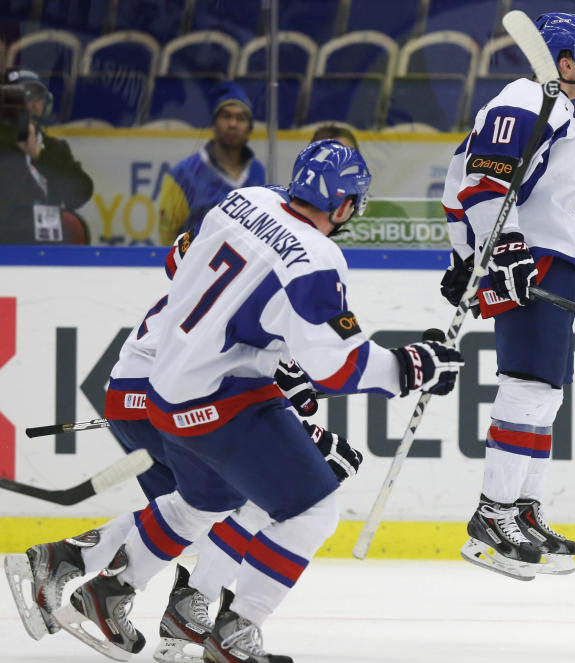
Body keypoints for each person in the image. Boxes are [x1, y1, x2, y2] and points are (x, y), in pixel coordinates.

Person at [48, 140, 463, 663]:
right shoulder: (316, 256)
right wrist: (414, 366)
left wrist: (264, 342)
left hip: (164, 390)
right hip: (216, 396)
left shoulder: (243, 201)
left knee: (207, 502)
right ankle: (235, 633)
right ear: (341, 205)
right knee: (312, 508)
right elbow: (340, 366)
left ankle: (114, 589)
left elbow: (180, 262)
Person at [4, 226, 360, 663]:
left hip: (147, 388)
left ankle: (88, 574)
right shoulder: (287, 264)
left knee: (204, 502)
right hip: (172, 392)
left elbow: (181, 262)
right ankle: (159, 597)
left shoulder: (242, 227)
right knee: (233, 498)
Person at [439, 12, 575, 581]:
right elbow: (482, 181)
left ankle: (522, 510)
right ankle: (492, 515)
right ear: (564, 61)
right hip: (528, 262)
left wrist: (470, 255)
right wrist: (497, 249)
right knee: (527, 387)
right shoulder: (525, 98)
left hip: (551, 264)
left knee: (547, 395)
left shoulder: (554, 107)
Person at [157, 81, 266, 245]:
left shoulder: (257, 171)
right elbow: (167, 239)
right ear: (214, 124)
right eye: (226, 116)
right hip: (195, 266)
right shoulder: (182, 174)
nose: (233, 124)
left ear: (250, 129)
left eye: (241, 118)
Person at [0, 68, 93, 244]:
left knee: (74, 226)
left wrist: (39, 155)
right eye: (20, 97)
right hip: (5, 241)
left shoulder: (54, 148)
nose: (30, 103)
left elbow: (80, 194)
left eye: (36, 96)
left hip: (47, 241)